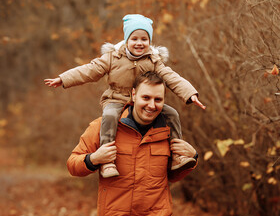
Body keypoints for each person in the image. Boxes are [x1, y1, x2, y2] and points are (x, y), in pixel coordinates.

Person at [44, 14, 205, 178]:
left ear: (149, 41)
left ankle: (178, 155)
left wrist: (190, 93)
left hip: (143, 102)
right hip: (117, 98)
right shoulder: (113, 58)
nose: (139, 43)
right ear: (127, 40)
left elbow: (171, 77)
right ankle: (107, 161)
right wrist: (63, 79)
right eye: (134, 38)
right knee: (109, 115)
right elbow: (89, 70)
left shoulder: (153, 60)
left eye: (144, 39)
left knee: (172, 114)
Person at [67, 72, 198, 216]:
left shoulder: (169, 131)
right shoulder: (104, 127)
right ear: (134, 95)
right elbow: (72, 164)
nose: (152, 105)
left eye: (158, 99)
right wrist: (93, 159)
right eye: (146, 98)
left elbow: (172, 177)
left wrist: (192, 157)